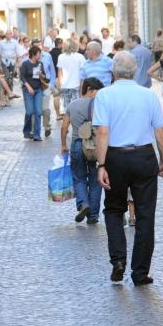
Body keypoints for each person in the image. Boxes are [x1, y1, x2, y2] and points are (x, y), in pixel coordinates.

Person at [94, 51, 163, 286]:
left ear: (114, 71)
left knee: (114, 209)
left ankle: (118, 260)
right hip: (143, 155)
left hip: (115, 157)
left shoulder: (104, 95)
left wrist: (101, 164)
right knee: (146, 214)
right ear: (135, 70)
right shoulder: (148, 95)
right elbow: (160, 132)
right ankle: (140, 272)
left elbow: (102, 132)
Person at [60, 78, 104, 224]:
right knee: (95, 180)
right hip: (94, 146)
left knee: (78, 177)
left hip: (77, 144)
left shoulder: (72, 105)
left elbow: (64, 127)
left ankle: (83, 204)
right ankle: (93, 216)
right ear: (91, 89)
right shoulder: (99, 105)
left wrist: (63, 145)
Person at [31, 38, 57, 137]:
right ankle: (34, 130)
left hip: (45, 85)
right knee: (35, 109)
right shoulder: (28, 58)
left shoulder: (47, 56)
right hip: (34, 86)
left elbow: (52, 70)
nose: (38, 47)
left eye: (39, 45)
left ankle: (47, 127)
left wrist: (51, 84)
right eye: (36, 45)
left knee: (45, 108)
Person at [20, 46, 46, 141]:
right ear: (33, 54)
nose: (40, 55)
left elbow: (45, 77)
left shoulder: (40, 64)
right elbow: (22, 77)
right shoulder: (25, 64)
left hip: (38, 89)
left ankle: (37, 134)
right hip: (28, 90)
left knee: (38, 112)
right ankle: (27, 131)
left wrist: (41, 74)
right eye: (39, 53)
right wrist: (28, 86)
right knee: (29, 111)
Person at [57, 40, 86, 112]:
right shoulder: (80, 57)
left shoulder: (61, 56)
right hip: (77, 86)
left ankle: (66, 122)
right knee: (76, 110)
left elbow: (60, 72)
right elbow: (84, 72)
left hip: (64, 86)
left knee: (66, 110)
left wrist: (60, 84)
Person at [50, 37, 64, 120]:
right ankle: (64, 113)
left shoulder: (50, 53)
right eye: (62, 44)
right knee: (64, 96)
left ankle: (58, 114)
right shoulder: (62, 54)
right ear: (59, 44)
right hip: (61, 76)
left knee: (56, 96)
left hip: (53, 77)